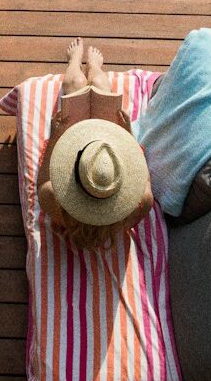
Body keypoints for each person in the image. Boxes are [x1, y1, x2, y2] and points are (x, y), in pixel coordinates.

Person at [37, 39, 153, 249]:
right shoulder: (136, 207)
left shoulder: (55, 202)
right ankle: (95, 68)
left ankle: (74, 62)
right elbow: (143, 178)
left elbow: (43, 179)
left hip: (90, 153)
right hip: (105, 155)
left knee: (75, 86)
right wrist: (127, 133)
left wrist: (56, 137)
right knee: (100, 87)